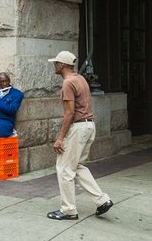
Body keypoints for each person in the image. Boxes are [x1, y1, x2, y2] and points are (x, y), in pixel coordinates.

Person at [46, 51, 112, 220]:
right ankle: (102, 200)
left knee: (64, 168)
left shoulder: (68, 83)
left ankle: (68, 210)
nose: (54, 65)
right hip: (89, 125)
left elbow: (69, 114)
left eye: (56, 63)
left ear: (62, 65)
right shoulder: (80, 79)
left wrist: (60, 138)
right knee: (77, 166)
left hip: (78, 127)